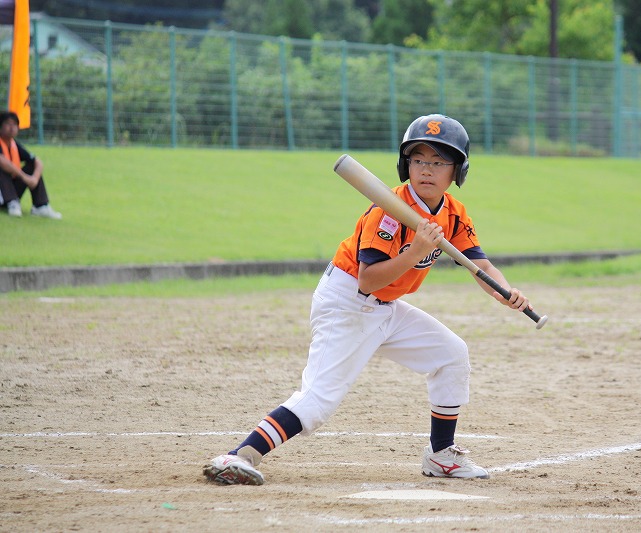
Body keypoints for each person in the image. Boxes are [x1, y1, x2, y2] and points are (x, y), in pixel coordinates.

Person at [203, 114, 533, 485]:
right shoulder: (387, 212)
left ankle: (441, 455)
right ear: (405, 165)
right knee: (320, 399)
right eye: (418, 159)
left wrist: (506, 292)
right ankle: (239, 456)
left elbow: (480, 265)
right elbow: (369, 279)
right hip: (348, 302)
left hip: (386, 307)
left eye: (439, 162)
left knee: (451, 355)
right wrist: (415, 251)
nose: (427, 169)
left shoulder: (453, 214)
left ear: (458, 170)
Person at [0, 111, 62, 219]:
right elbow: (2, 161)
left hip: (12, 187)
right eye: (8, 124)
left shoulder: (14, 145)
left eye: (14, 124)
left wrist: (34, 179)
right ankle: (12, 202)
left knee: (32, 166)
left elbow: (37, 161)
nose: (12, 127)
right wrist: (24, 177)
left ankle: (40, 206)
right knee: (3, 168)